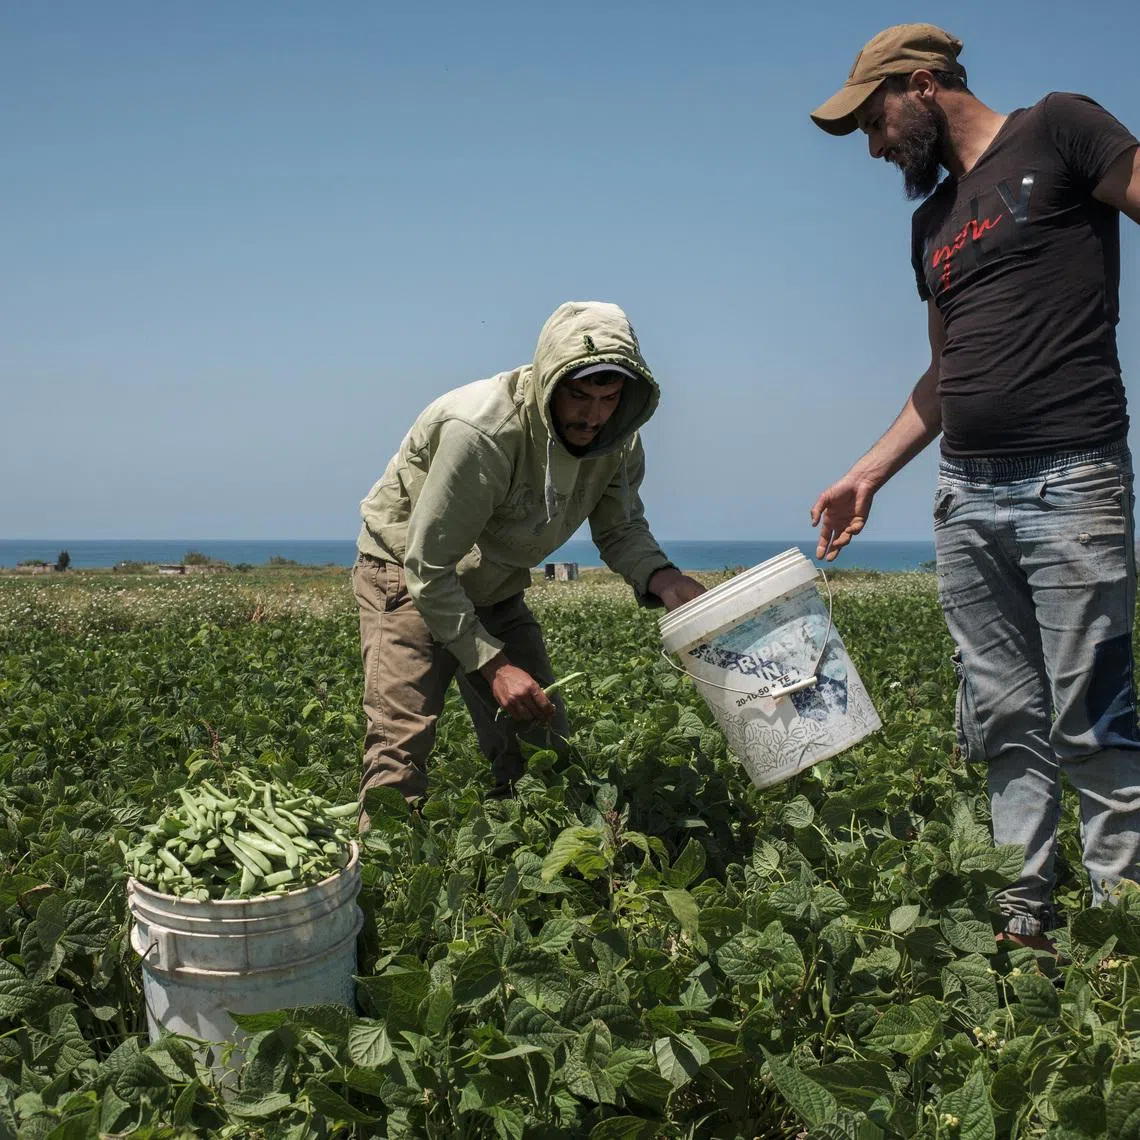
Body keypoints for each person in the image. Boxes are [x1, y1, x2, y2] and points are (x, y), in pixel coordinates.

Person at [808, 24, 1140, 949]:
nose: (874, 146)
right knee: (1005, 722)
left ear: (922, 86)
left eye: (874, 121)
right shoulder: (932, 225)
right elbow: (944, 377)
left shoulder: (1061, 129)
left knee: (1093, 718)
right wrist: (868, 473)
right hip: (967, 497)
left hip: (1072, 480)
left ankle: (1121, 941)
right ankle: (1023, 922)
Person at [353, 300, 705, 816]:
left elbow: (622, 526)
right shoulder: (481, 432)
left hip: (495, 582)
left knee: (541, 734)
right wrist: (493, 666)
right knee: (400, 750)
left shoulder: (618, 441)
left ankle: (527, 865)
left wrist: (664, 578)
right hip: (406, 576)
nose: (592, 415)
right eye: (579, 395)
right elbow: (428, 567)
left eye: (609, 397)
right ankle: (380, 885)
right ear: (548, 382)